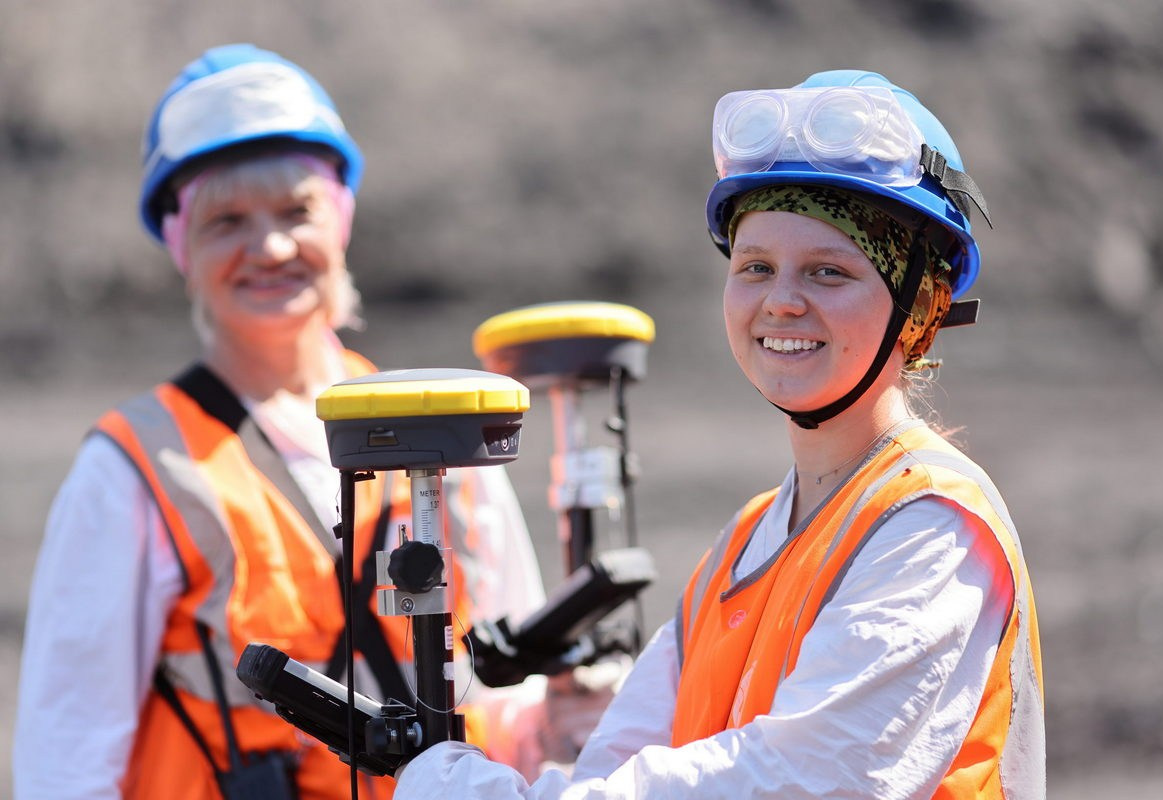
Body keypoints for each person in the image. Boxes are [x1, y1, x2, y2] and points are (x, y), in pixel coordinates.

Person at [388, 70, 1046, 798]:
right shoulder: (742, 548)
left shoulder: (933, 528)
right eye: (756, 267)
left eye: (830, 272)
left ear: (921, 303)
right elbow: (613, 769)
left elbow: (803, 779)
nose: (782, 302)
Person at [13, 43, 578, 799]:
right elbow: (67, 763)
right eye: (227, 221)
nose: (271, 247)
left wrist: (565, 721)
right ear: (180, 244)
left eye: (296, 211)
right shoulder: (133, 469)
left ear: (340, 220)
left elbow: (507, 705)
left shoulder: (442, 424)